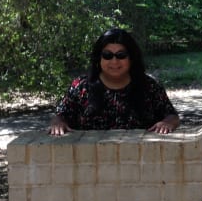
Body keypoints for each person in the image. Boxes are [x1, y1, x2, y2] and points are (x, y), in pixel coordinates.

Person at [49, 28, 180, 135]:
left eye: (121, 55)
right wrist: (58, 124)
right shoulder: (81, 87)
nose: (114, 61)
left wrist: (167, 123)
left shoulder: (149, 86)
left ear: (131, 58)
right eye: (107, 55)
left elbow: (171, 116)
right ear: (98, 59)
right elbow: (61, 115)